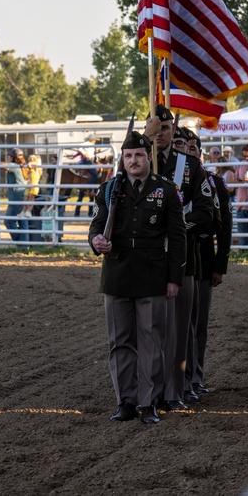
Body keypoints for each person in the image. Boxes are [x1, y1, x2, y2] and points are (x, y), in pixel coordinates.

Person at [88, 130, 186, 424]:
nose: (133, 161)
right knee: (119, 342)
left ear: (149, 157)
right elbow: (96, 226)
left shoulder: (166, 190)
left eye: (139, 155)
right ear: (122, 158)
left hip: (153, 273)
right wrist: (96, 242)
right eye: (128, 156)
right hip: (117, 273)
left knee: (152, 341)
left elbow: (178, 237)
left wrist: (174, 279)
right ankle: (125, 402)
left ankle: (149, 402)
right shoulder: (108, 189)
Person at [143, 110, 216, 410]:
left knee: (179, 330)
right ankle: (146, 390)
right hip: (144, 260)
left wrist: (176, 227)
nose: (160, 133)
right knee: (147, 329)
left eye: (165, 127)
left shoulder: (190, 166)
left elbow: (205, 211)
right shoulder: (137, 161)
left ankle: (177, 390)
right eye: (154, 128)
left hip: (182, 258)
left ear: (174, 129)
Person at [183, 131, 232, 399]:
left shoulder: (213, 183)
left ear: (199, 154)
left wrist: (219, 264)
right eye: (183, 147)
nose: (188, 152)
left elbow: (224, 226)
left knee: (197, 324)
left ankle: (195, 376)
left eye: (192, 149)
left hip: (202, 258)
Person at [1, 147, 29, 244]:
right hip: (23, 195)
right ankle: (24, 245)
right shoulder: (23, 166)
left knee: (8, 221)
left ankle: (20, 240)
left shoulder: (14, 166)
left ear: (13, 157)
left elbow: (1, 165)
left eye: (10, 156)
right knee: (22, 221)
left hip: (16, 197)